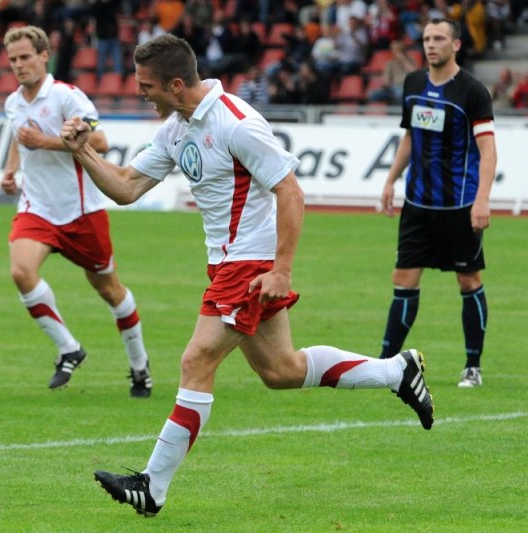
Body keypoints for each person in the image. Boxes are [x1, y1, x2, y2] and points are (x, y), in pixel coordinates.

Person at [59, 33, 434, 517]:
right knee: (281, 371)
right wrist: (83, 152)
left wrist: (281, 270)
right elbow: (127, 187)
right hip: (226, 264)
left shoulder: (236, 123)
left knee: (196, 361)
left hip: (249, 264)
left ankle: (153, 485)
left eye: (146, 85)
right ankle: (397, 371)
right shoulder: (176, 128)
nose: (140, 93)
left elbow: (290, 191)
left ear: (176, 85)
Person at [0, 25, 153, 397]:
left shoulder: (66, 97)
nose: (19, 65)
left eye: (25, 57)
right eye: (13, 59)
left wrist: (45, 141)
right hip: (37, 208)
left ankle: (139, 366)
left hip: (81, 211)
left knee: (110, 290)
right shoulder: (13, 103)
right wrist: (10, 170)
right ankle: (69, 348)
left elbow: (99, 141)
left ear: (44, 56)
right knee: (21, 271)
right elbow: (20, 138)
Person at [379, 18, 497, 389]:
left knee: (468, 280)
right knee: (403, 279)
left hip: (459, 206)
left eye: (440, 38)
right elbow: (410, 138)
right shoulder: (413, 84)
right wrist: (391, 179)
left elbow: (488, 150)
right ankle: (384, 365)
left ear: (456, 45)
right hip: (418, 204)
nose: (431, 44)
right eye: (427, 38)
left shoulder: (472, 92)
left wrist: (482, 200)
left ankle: (473, 367)